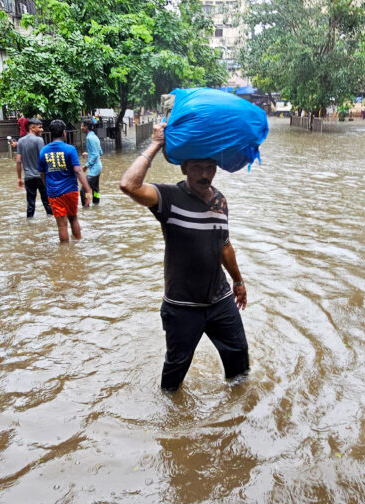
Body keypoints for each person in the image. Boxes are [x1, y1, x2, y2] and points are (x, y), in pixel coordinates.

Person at [119, 122, 249, 392]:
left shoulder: (220, 201)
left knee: (239, 363)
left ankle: (240, 412)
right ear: (184, 168)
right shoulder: (168, 198)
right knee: (174, 374)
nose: (205, 174)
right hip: (182, 306)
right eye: (198, 168)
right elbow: (128, 185)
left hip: (220, 300)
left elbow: (224, 245)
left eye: (210, 168)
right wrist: (156, 143)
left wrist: (238, 281)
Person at [38, 119, 91, 242]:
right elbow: (78, 171)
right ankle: (78, 244)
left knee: (61, 225)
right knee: (74, 219)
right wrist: (88, 189)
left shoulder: (44, 151)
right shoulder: (70, 149)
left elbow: (42, 173)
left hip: (54, 193)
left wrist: (48, 187)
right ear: (64, 132)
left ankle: (65, 255)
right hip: (70, 191)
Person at [15, 118, 52, 218]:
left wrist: (19, 178)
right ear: (32, 127)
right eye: (40, 127)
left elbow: (18, 161)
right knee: (47, 203)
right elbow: (43, 158)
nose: (42, 130)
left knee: (30, 204)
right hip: (41, 177)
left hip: (28, 177)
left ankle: (29, 224)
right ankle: (52, 225)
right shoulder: (39, 140)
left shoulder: (21, 141)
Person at [80, 117, 103, 207]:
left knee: (83, 191)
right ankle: (96, 204)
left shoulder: (89, 138)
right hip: (98, 167)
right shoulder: (95, 136)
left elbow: (95, 155)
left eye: (82, 126)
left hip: (94, 168)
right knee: (95, 189)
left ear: (86, 127)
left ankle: (85, 209)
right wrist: (88, 153)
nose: (81, 127)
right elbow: (100, 152)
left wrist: (86, 166)